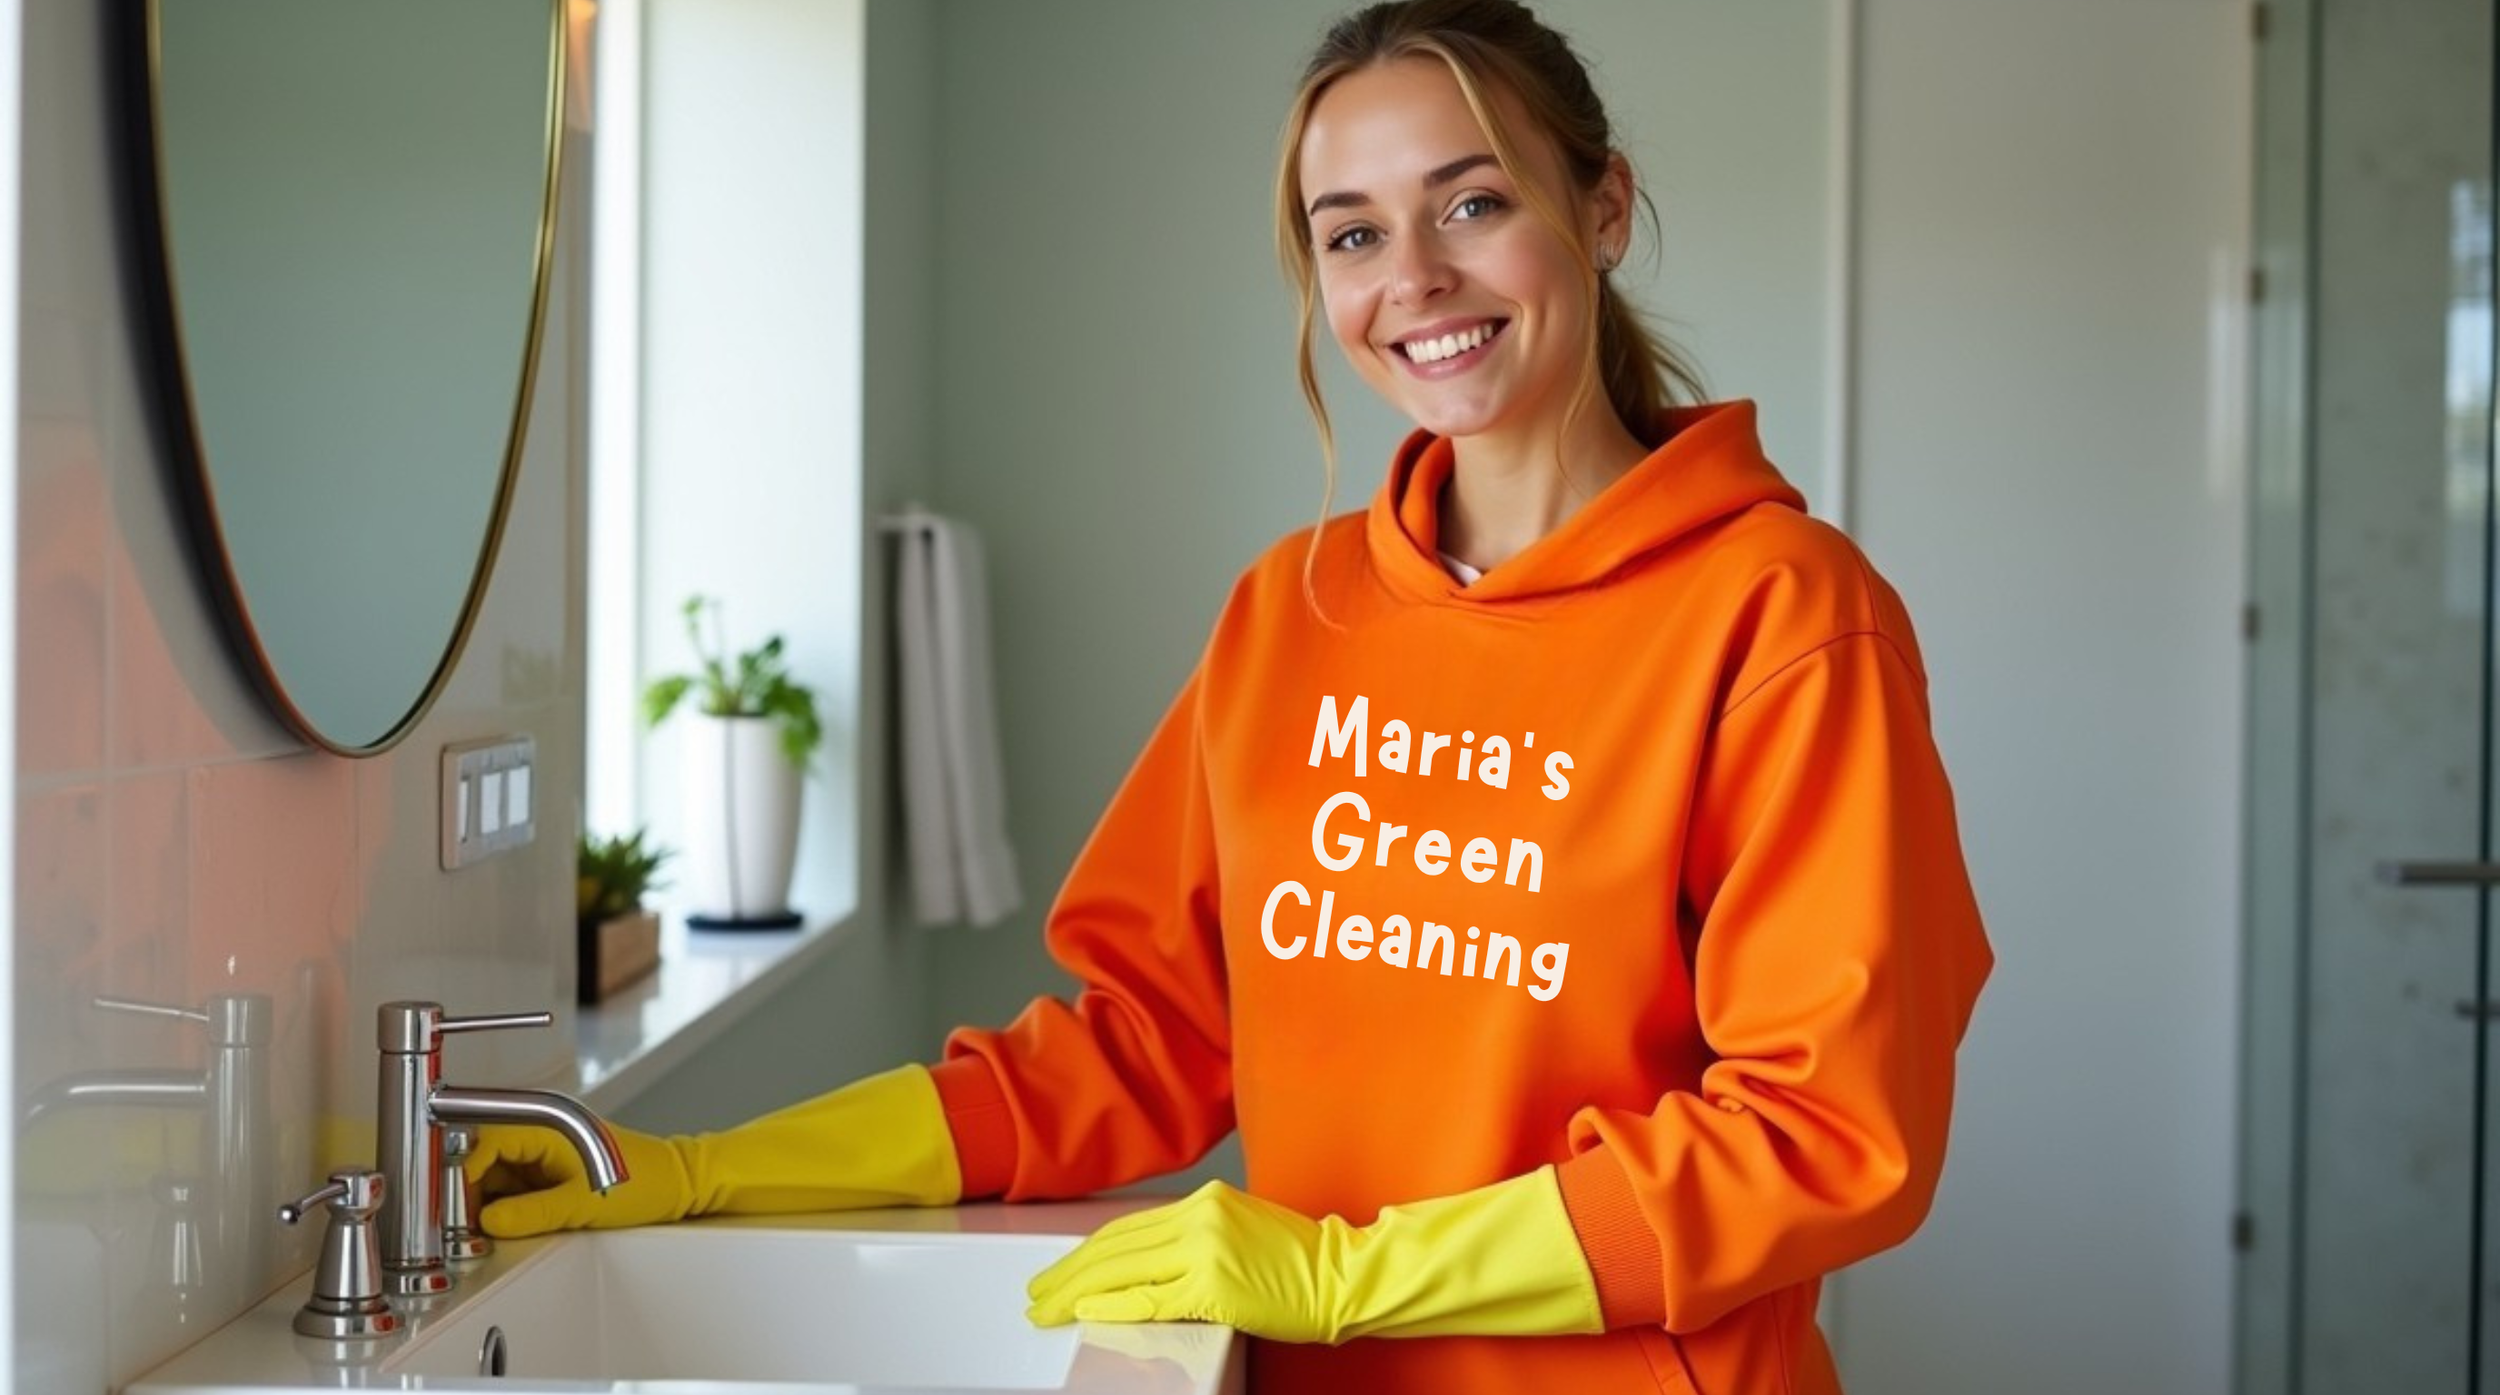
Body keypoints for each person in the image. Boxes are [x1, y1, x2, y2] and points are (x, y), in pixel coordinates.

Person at [471, 2, 1995, 1391]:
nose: (1416, 281)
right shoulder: (1293, 610)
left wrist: (1351, 1275)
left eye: (1472, 202)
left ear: (1601, 209)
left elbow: (1825, 1133)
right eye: (1352, 235)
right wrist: (698, 1166)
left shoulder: (1784, 615)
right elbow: (1140, 1045)